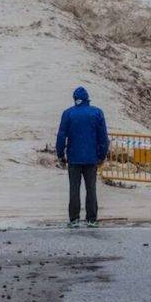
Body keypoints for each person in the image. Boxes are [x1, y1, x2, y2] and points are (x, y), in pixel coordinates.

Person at [56, 86, 109, 228]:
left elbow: (61, 136)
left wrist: (61, 155)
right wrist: (102, 155)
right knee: (91, 188)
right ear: (87, 98)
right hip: (91, 158)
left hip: (73, 157)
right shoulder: (97, 113)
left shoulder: (68, 114)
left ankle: (74, 219)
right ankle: (91, 219)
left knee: (74, 188)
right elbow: (103, 137)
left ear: (74, 99)